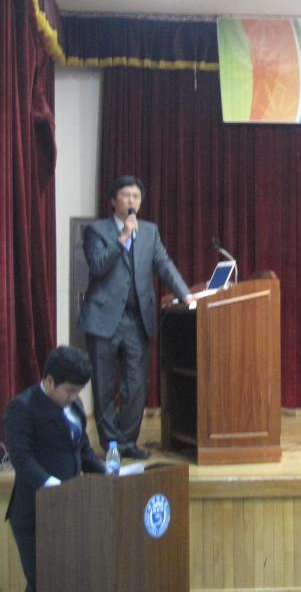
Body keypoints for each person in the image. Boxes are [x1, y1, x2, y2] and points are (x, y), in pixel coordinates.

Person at [78, 175, 194, 460]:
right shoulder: (96, 230)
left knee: (136, 384)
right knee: (104, 386)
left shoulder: (150, 231)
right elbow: (97, 266)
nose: (132, 201)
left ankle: (128, 442)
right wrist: (123, 238)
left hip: (136, 320)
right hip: (103, 320)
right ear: (113, 201)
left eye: (137, 196)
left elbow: (164, 264)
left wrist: (185, 294)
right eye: (126, 195)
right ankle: (111, 444)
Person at [4, 346, 106, 592]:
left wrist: (107, 472)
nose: (74, 396)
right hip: (34, 513)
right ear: (49, 381)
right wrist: (54, 487)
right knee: (43, 582)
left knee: (66, 579)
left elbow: (82, 451)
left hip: (69, 508)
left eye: (78, 391)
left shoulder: (75, 406)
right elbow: (22, 459)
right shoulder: (23, 407)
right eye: (69, 390)